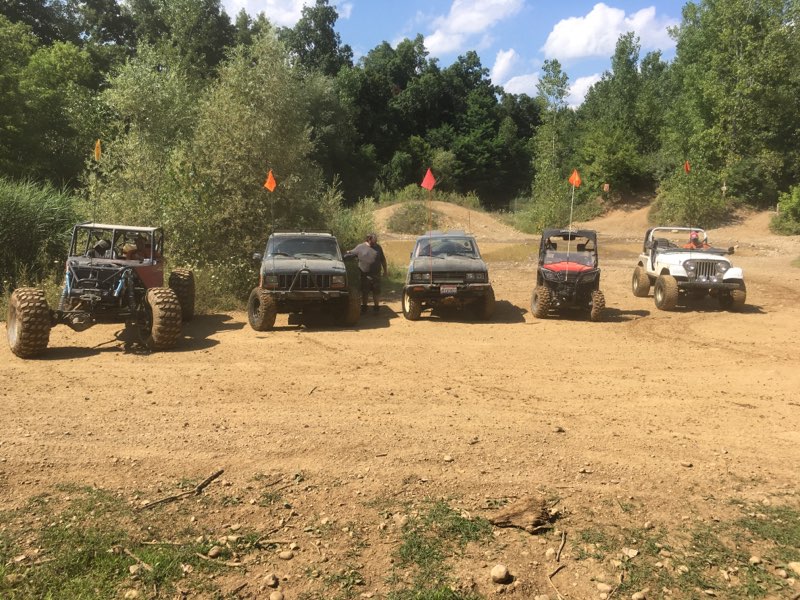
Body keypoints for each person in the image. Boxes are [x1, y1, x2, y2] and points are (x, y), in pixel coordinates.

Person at [348, 233, 388, 313]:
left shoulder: (378, 247)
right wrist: (346, 252)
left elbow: (383, 260)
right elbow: (351, 252)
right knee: (364, 291)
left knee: (376, 291)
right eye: (374, 241)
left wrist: (385, 271)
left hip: (376, 275)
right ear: (368, 239)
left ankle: (376, 307)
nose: (375, 242)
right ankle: (364, 307)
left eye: (376, 241)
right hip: (364, 275)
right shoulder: (360, 247)